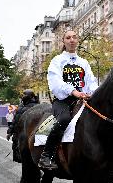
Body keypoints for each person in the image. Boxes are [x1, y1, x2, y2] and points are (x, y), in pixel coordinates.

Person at [38, 30, 98, 170]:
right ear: (64, 41)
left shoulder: (84, 62)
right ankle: (46, 156)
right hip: (64, 100)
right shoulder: (57, 61)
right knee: (64, 120)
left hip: (83, 100)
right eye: (68, 37)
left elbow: (91, 81)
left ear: (77, 41)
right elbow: (55, 82)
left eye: (74, 37)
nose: (71, 40)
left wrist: (93, 93)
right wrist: (74, 92)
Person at [6, 89, 39, 162]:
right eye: (23, 94)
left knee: (30, 160)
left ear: (31, 96)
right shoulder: (20, 106)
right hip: (18, 136)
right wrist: (10, 132)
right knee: (21, 158)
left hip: (29, 137)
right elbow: (15, 120)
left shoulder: (36, 107)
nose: (23, 96)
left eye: (25, 94)